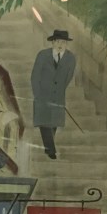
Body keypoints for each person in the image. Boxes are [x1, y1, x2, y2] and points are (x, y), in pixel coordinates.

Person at [30, 29, 76, 158]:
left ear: (66, 44)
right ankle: (51, 150)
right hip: (42, 95)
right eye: (58, 41)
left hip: (58, 97)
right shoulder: (43, 55)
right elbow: (35, 76)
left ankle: (48, 147)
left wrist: (59, 90)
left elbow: (68, 77)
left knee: (53, 123)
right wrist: (37, 94)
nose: (60, 45)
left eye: (63, 42)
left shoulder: (70, 58)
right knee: (44, 122)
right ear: (53, 42)